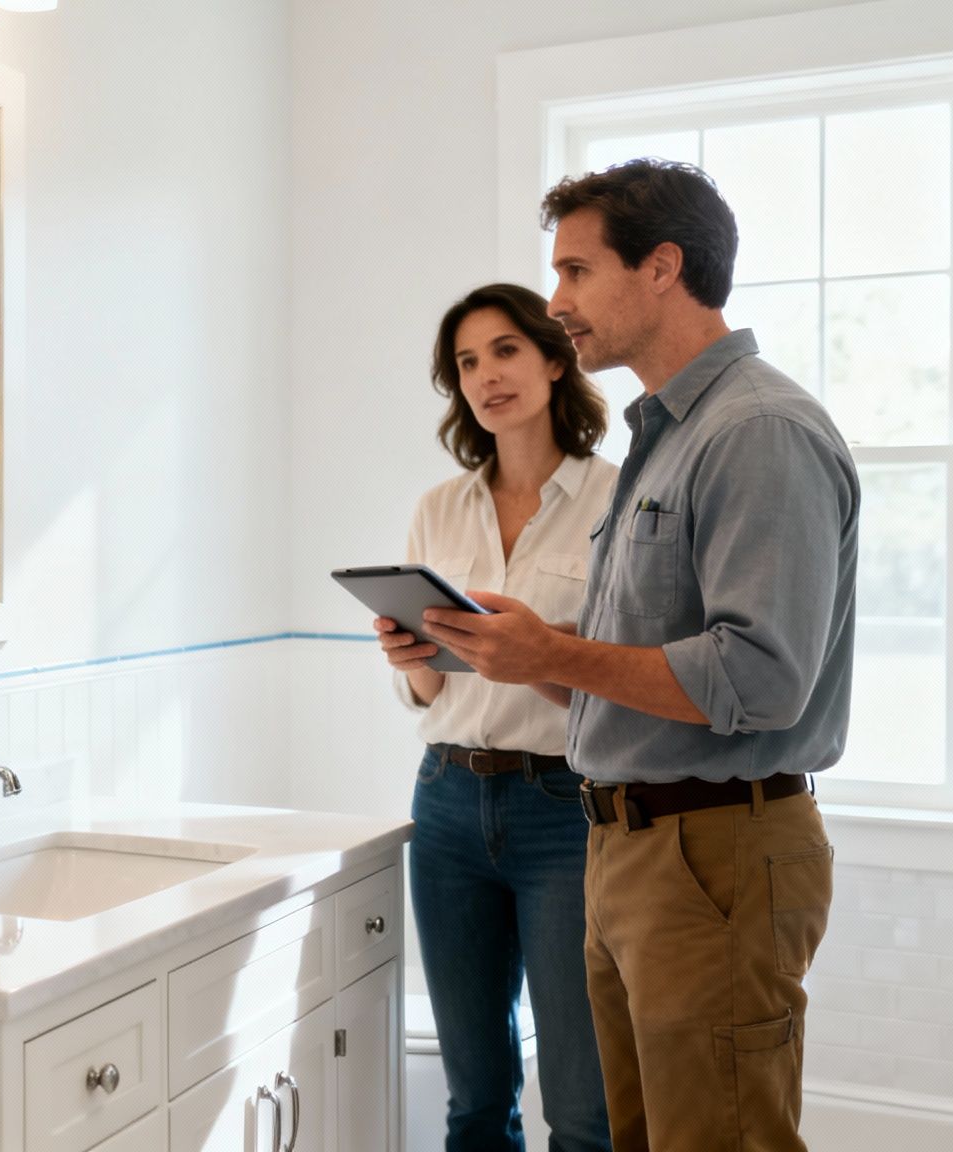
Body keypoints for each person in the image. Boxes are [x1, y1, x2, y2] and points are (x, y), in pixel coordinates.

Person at [421, 159, 855, 1152]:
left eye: (574, 271)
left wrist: (553, 654)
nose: (555, 300)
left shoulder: (756, 431)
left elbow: (756, 679)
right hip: (628, 846)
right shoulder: (666, 436)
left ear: (660, 268)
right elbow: (633, 660)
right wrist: (513, 652)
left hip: (709, 854)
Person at [377, 283, 615, 1152]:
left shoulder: (616, 502)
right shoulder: (439, 509)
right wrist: (414, 665)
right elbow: (436, 690)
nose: (486, 376)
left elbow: (618, 680)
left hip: (566, 809)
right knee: (474, 1096)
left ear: (556, 360)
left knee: (584, 1107)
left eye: (506, 350)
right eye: (467, 363)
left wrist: (539, 651)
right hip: (445, 802)